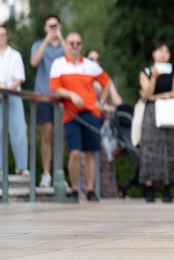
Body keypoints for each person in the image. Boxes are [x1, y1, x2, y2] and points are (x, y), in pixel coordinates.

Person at [48, 32, 110, 202]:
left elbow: (106, 82)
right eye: (71, 43)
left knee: (91, 152)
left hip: (90, 112)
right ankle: (75, 189)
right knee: (75, 152)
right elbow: (55, 89)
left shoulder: (90, 65)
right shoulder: (59, 64)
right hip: (70, 114)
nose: (74, 46)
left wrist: (101, 101)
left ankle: (90, 189)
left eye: (78, 43)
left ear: (81, 45)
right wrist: (71, 95)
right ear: (66, 44)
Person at [138, 42, 174, 203]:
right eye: (160, 51)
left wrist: (158, 96)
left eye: (166, 51)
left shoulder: (173, 72)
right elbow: (146, 94)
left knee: (167, 146)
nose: (163, 54)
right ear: (153, 54)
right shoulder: (145, 72)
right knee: (150, 146)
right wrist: (154, 77)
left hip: (168, 111)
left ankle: (167, 185)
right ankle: (149, 186)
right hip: (151, 113)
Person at [30, 14, 65, 188]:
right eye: (50, 26)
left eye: (55, 26)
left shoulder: (65, 45)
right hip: (44, 95)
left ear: (60, 27)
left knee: (62, 136)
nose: (52, 29)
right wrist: (47, 40)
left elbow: (73, 58)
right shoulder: (38, 44)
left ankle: (60, 172)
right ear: (45, 28)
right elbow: (34, 62)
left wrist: (61, 38)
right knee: (47, 134)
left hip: (62, 97)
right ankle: (46, 174)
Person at [86, 49, 123, 198]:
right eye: (91, 59)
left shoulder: (105, 81)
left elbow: (118, 103)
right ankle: (87, 191)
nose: (95, 62)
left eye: (97, 59)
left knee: (105, 162)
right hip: (88, 121)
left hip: (103, 127)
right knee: (86, 158)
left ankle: (107, 194)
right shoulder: (84, 78)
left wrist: (105, 106)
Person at [0, 25, 30, 177]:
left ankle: (22, 166)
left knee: (19, 131)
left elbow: (19, 78)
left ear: (7, 36)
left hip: (12, 96)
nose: (1, 38)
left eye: (3, 34)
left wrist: (6, 90)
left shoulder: (15, 55)